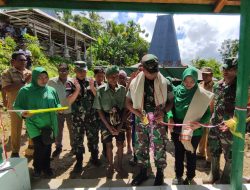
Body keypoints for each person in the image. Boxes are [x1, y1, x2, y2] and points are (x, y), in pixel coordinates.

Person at [126, 54, 174, 186]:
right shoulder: (135, 83)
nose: (153, 75)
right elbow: (128, 102)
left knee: (159, 146)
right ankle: (143, 172)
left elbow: (171, 101)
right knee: (141, 146)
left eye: (155, 71)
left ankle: (159, 173)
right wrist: (137, 113)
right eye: (150, 72)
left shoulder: (165, 82)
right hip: (141, 119)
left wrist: (163, 112)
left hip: (158, 119)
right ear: (143, 69)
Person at [168, 67, 213, 185]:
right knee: (178, 152)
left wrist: (199, 124)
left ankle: (190, 177)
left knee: (191, 154)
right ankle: (178, 175)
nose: (188, 84)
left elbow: (207, 113)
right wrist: (170, 117)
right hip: (178, 128)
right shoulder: (177, 90)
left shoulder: (201, 94)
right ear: (182, 79)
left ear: (196, 81)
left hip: (194, 130)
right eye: (186, 81)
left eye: (192, 81)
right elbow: (169, 107)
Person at [13, 67, 60, 178]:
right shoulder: (25, 91)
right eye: (40, 78)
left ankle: (47, 168)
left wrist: (59, 108)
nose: (44, 80)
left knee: (47, 145)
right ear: (34, 78)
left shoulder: (51, 90)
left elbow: (57, 103)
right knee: (39, 146)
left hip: (49, 124)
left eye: (45, 77)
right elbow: (17, 106)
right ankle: (37, 168)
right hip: (34, 124)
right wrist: (23, 113)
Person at [204, 57, 238, 184]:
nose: (225, 71)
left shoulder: (241, 86)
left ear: (236, 70)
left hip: (230, 127)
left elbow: (247, 108)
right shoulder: (218, 85)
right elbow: (214, 104)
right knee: (214, 150)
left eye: (229, 69)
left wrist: (233, 122)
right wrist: (212, 118)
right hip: (215, 125)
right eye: (224, 69)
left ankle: (226, 177)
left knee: (229, 153)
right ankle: (214, 174)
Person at [93, 65, 127, 178]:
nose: (114, 79)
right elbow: (99, 111)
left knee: (120, 144)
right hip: (105, 120)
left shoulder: (122, 90)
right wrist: (108, 126)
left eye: (116, 76)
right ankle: (111, 165)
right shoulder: (100, 90)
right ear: (106, 77)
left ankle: (120, 165)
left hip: (120, 120)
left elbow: (125, 110)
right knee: (108, 145)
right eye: (111, 77)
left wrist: (120, 126)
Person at [66, 61, 100, 172]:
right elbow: (69, 101)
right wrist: (77, 90)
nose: (82, 73)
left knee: (94, 138)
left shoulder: (91, 81)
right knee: (78, 140)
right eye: (79, 71)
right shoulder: (70, 83)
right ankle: (79, 161)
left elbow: (98, 98)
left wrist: (92, 88)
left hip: (91, 117)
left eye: (84, 71)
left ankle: (94, 158)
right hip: (77, 118)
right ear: (75, 71)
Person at [1, 52, 32, 157]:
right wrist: (24, 81)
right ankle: (15, 152)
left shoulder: (29, 72)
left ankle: (31, 148)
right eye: (21, 60)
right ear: (13, 62)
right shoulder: (7, 73)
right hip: (15, 106)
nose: (24, 62)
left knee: (32, 126)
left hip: (29, 105)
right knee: (16, 129)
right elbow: (7, 88)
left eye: (25, 60)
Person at [47, 63, 73, 157]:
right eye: (60, 70)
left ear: (68, 71)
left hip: (71, 110)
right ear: (58, 71)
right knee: (58, 130)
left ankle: (74, 147)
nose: (62, 72)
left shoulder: (72, 81)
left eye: (64, 70)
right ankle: (58, 147)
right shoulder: (51, 82)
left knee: (72, 130)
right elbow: (48, 94)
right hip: (57, 111)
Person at [197, 67, 214, 168]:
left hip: (211, 114)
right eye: (203, 74)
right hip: (201, 113)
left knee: (210, 137)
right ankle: (201, 153)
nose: (205, 76)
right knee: (202, 134)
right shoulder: (200, 85)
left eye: (207, 74)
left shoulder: (215, 86)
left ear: (211, 75)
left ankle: (209, 158)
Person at [118, 70, 132, 154]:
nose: (121, 80)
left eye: (123, 78)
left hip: (128, 112)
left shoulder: (130, 87)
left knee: (128, 130)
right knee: (120, 130)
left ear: (126, 78)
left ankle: (129, 146)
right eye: (119, 78)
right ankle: (122, 143)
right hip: (119, 113)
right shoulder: (116, 88)